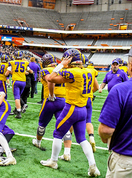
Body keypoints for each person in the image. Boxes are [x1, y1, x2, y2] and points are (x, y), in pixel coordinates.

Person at [40, 49, 100, 177]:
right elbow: (95, 88)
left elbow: (50, 78)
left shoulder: (71, 72)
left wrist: (62, 64)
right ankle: (93, 166)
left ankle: (53, 161)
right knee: (82, 139)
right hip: (83, 108)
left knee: (57, 133)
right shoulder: (89, 71)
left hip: (71, 108)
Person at [98, 44, 132, 178]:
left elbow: (106, 130)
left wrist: (104, 138)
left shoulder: (122, 89)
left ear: (130, 65)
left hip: (127, 158)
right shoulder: (111, 77)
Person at [32, 54, 69, 156]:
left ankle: (38, 142)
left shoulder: (46, 70)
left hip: (50, 100)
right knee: (63, 125)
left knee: (42, 124)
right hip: (63, 100)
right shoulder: (63, 69)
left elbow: (50, 80)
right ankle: (67, 152)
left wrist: (51, 95)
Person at [5, 51, 32, 119]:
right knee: (19, 96)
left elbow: (7, 73)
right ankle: (17, 109)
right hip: (23, 81)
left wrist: (12, 72)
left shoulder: (12, 62)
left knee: (17, 97)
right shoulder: (26, 62)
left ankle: (19, 112)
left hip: (16, 81)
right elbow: (30, 71)